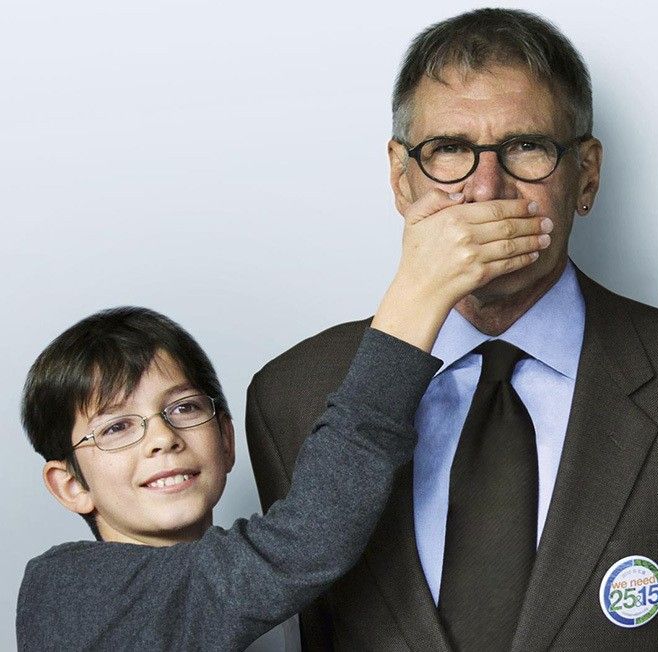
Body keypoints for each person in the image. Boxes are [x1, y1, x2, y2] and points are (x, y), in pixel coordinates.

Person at [245, 8, 658, 651]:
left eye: (527, 148)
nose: (486, 189)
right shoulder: (293, 397)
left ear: (587, 174)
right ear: (400, 178)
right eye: (448, 152)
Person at [16, 199, 550, 650]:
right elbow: (304, 543)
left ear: (226, 440)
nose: (162, 438)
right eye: (115, 428)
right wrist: (419, 295)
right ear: (69, 485)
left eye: (183, 409)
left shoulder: (288, 607)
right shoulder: (62, 593)